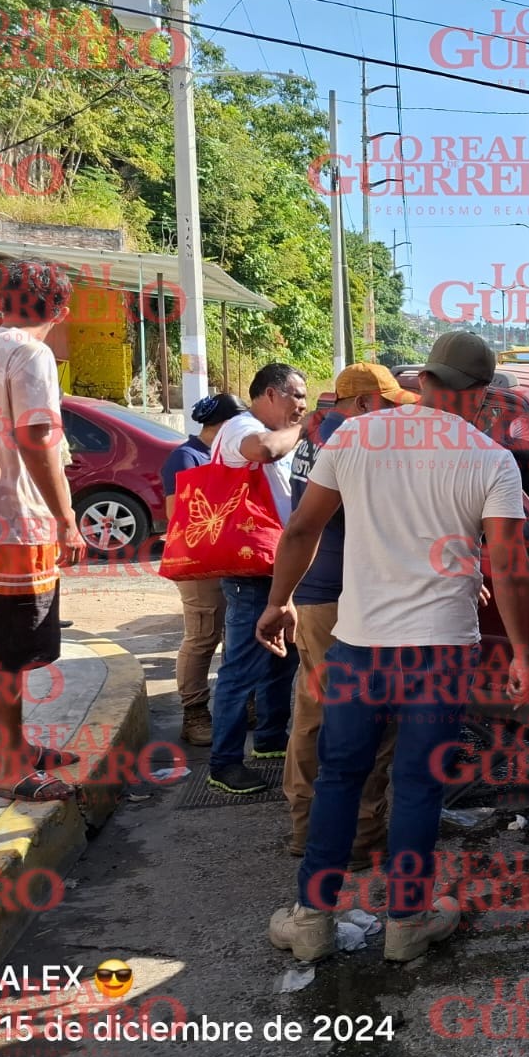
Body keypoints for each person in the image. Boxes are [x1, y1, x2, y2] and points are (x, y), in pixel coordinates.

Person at [260, 332, 529, 963]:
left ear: (425, 381)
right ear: (483, 395)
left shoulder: (356, 436)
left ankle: (311, 921)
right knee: (417, 784)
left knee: (340, 777)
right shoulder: (492, 460)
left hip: (359, 646)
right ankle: (407, 924)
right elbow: (509, 565)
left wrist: (279, 603)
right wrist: (520, 651)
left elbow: (303, 527)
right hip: (441, 651)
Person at [0, 260, 83, 802]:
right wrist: (66, 518)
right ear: (62, 311)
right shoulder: (32, 353)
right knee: (7, 648)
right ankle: (7, 765)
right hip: (19, 521)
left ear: (2, 299)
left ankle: (13, 748)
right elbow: (37, 439)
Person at [283, 363, 416, 867]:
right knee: (369, 721)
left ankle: (304, 827)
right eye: (386, 405)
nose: (393, 417)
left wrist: (282, 598)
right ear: (362, 403)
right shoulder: (358, 443)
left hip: (314, 594)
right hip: (352, 596)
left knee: (313, 712)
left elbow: (300, 527)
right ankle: (360, 837)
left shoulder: (314, 435)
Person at [207, 363, 308, 795]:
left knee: (281, 658)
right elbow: (263, 450)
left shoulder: (264, 427)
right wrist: (304, 432)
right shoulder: (241, 428)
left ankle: (269, 739)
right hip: (250, 570)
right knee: (240, 669)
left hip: (272, 564)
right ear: (270, 394)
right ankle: (223, 763)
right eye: (295, 396)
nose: (301, 404)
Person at [160, 392, 245, 747]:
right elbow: (176, 515)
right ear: (224, 424)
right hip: (198, 562)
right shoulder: (186, 456)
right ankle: (194, 713)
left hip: (229, 560)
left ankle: (241, 706)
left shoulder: (223, 454)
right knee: (203, 635)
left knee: (235, 636)